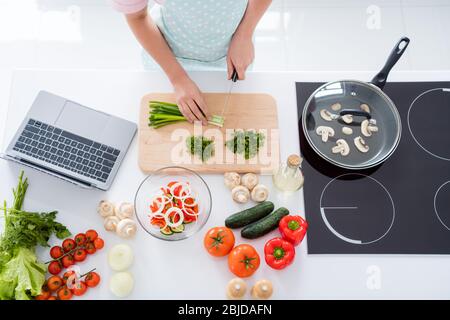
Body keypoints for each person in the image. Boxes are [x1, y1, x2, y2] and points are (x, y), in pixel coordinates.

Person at [112, 0, 272, 124]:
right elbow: (137, 17)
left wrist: (245, 33)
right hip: (169, 58)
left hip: (234, 51)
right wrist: (178, 78)